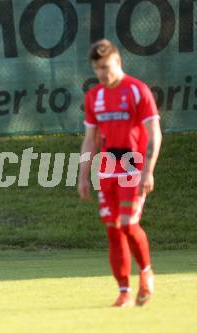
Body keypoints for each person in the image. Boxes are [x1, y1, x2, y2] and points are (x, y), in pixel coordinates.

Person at [78, 39, 162, 307]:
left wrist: (148, 171)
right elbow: (90, 139)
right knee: (113, 230)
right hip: (107, 168)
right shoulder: (94, 97)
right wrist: (83, 175)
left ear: (118, 61)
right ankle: (124, 291)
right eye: (97, 68)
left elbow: (154, 133)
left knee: (127, 223)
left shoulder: (137, 91)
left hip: (133, 165)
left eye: (107, 66)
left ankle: (146, 272)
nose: (103, 73)